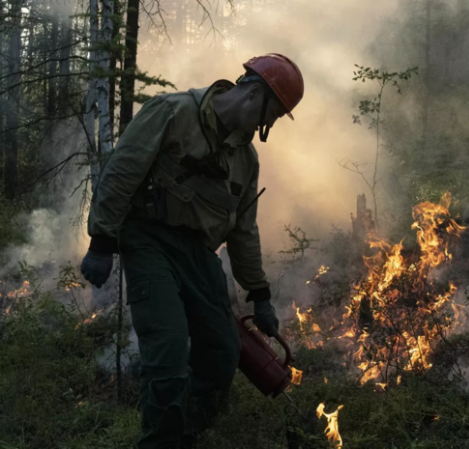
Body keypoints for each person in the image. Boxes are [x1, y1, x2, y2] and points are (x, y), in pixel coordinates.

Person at [79, 53, 304, 449]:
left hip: (200, 254)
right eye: (270, 116)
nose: (265, 127)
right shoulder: (172, 111)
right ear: (254, 94)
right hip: (149, 240)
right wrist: (101, 241)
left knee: (223, 352)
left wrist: (260, 294)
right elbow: (121, 172)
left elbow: (243, 231)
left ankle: (186, 434)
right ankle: (160, 441)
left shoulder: (246, 160)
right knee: (168, 351)